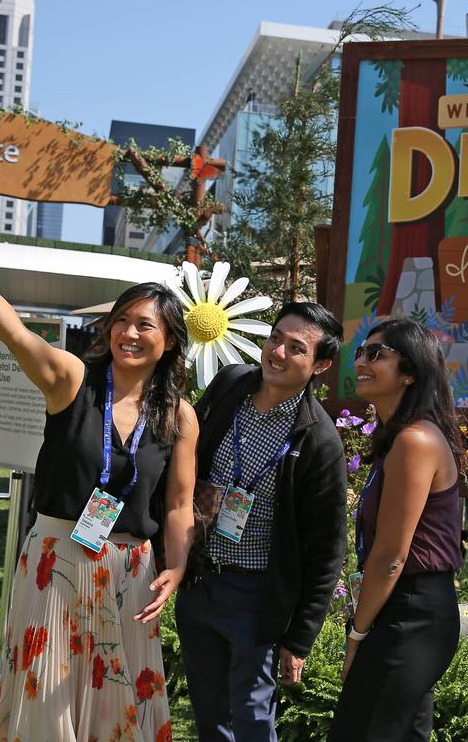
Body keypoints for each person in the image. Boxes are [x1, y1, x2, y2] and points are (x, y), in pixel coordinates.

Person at [0, 244, 196, 742]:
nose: (129, 333)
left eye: (145, 325)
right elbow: (18, 338)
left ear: (170, 341)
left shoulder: (178, 415)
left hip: (130, 572)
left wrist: (177, 566)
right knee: (47, 691)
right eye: (122, 321)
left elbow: (180, 505)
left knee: (121, 696)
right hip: (56, 561)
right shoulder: (74, 380)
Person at [175, 301, 348, 742]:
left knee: (252, 717)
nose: (278, 353)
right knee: (209, 714)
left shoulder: (318, 441)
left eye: (296, 348)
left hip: (254, 596)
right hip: (199, 580)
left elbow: (328, 551)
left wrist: (300, 639)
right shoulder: (232, 384)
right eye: (275, 338)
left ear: (320, 365)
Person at [328, 318, 465, 742]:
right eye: (361, 353)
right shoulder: (400, 439)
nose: (362, 362)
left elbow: (391, 557)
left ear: (410, 372)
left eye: (377, 354)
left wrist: (357, 636)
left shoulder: (415, 441)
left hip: (412, 615)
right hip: (407, 612)